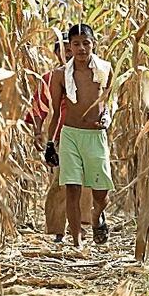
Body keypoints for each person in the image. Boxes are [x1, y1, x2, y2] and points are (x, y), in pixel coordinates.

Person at [44, 23, 115, 247]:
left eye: (86, 43)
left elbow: (108, 102)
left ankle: (96, 216)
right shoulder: (60, 75)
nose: (82, 48)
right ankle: (77, 242)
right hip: (70, 135)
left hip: (95, 135)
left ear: (93, 44)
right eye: (76, 44)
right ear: (70, 47)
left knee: (101, 193)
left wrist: (107, 118)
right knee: (72, 188)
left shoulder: (105, 69)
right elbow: (55, 112)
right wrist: (49, 143)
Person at [24, 33, 93, 242]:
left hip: (87, 134)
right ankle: (57, 230)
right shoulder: (52, 78)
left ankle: (80, 226)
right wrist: (38, 132)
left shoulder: (91, 74)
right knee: (62, 182)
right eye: (64, 50)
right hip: (62, 136)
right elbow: (38, 108)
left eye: (70, 49)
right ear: (57, 53)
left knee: (86, 181)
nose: (69, 53)